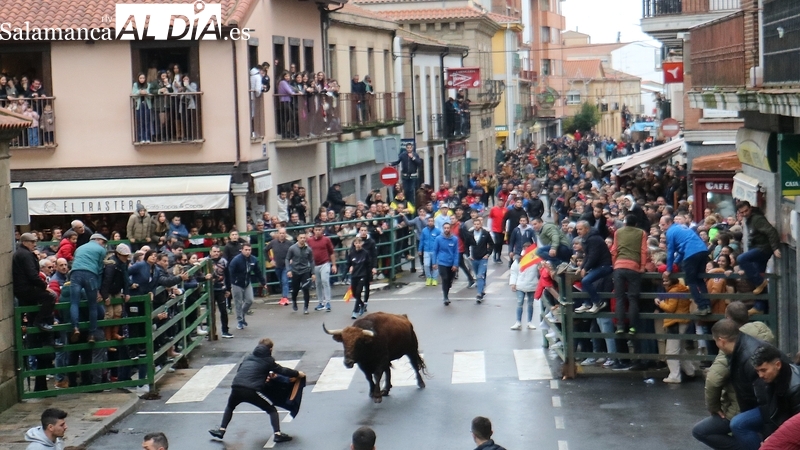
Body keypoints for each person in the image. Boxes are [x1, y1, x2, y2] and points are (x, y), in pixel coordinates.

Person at [693, 301, 775, 450]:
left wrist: (714, 407)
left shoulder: (735, 347)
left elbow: (713, 379)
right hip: (763, 403)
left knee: (702, 431)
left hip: (743, 406)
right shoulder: (763, 335)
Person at [209, 339, 302, 443]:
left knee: (230, 407)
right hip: (250, 391)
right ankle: (277, 434)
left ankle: (221, 430)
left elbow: (243, 370)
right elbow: (282, 370)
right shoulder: (268, 360)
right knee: (271, 410)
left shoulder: (248, 357)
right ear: (270, 349)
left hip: (236, 387)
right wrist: (297, 373)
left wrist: (263, 375)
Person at [711, 319, 768, 448]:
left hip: (775, 404)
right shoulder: (739, 348)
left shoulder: (747, 356)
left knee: (739, 424)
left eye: (715, 341)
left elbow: (766, 398)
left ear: (721, 341)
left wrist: (768, 433)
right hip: (763, 403)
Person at [743, 344, 800, 449]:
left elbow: (796, 426)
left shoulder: (795, 387)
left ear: (778, 365)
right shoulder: (770, 379)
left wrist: (774, 438)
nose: (760, 375)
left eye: (763, 370)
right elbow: (769, 413)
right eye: (757, 371)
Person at [660, 215, 712, 315]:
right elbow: (682, 249)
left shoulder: (670, 232)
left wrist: (669, 269)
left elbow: (670, 252)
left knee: (690, 281)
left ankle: (702, 307)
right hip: (702, 250)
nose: (662, 227)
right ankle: (707, 305)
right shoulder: (682, 227)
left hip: (691, 254)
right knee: (700, 280)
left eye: (663, 225)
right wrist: (675, 263)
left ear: (669, 223)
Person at [735, 201, 781, 313]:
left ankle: (760, 282)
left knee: (741, 259)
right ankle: (760, 307)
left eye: (746, 211)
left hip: (763, 248)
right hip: (758, 248)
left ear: (750, 208)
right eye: (742, 212)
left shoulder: (756, 219)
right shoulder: (749, 219)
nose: (745, 213)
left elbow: (771, 232)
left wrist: (775, 248)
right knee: (759, 277)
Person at [611, 214, 648, 334]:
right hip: (634, 267)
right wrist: (642, 266)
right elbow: (643, 251)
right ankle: (632, 327)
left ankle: (620, 326)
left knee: (619, 298)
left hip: (619, 266)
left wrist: (614, 265)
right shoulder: (642, 233)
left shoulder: (618, 232)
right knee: (633, 298)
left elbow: (614, 250)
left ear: (625, 223)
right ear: (636, 224)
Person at [69, 233, 109, 343]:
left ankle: (75, 327)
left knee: (74, 302)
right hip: (90, 274)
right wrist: (98, 289)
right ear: (98, 240)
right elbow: (100, 270)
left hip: (75, 273)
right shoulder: (101, 250)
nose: (104, 245)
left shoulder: (79, 248)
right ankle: (91, 334)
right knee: (93, 306)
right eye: (103, 242)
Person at [655, 277, 695, 383]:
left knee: (671, 351)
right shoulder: (682, 289)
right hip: (682, 321)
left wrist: (660, 303)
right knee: (680, 349)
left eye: (667, 281)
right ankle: (690, 371)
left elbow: (670, 308)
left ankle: (674, 376)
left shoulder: (673, 291)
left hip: (675, 322)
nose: (664, 283)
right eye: (663, 281)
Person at [13, 233, 56, 332]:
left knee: (32, 311)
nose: (35, 244)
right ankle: (40, 321)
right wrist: (44, 286)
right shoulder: (26, 254)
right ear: (24, 242)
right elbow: (32, 275)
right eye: (32, 242)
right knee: (50, 297)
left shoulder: (21, 253)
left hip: (22, 289)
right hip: (26, 289)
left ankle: (34, 328)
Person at [574, 220, 613, 313]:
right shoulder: (586, 238)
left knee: (586, 280)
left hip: (604, 266)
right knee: (584, 281)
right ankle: (587, 303)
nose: (578, 231)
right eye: (577, 229)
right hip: (597, 266)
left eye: (580, 229)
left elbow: (593, 256)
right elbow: (587, 256)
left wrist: (585, 268)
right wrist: (581, 267)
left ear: (587, 229)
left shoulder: (593, 239)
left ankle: (598, 302)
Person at [228, 243, 266, 330]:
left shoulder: (253, 260)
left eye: (249, 250)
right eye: (246, 250)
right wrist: (231, 283)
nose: (248, 252)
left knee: (249, 300)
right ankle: (240, 321)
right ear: (242, 250)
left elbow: (258, 272)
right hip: (237, 283)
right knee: (238, 303)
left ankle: (242, 314)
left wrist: (263, 282)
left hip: (247, 283)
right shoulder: (236, 260)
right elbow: (230, 272)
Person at [100, 243, 131, 345]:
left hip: (116, 290)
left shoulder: (123, 264)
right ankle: (108, 340)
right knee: (109, 314)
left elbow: (126, 278)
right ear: (118, 254)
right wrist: (105, 296)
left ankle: (114, 333)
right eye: (124, 255)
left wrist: (126, 292)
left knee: (118, 311)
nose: (126, 258)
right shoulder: (111, 264)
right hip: (109, 291)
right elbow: (107, 281)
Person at [509, 241, 539, 330]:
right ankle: (518, 322)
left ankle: (529, 322)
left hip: (532, 284)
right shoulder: (519, 260)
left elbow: (539, 271)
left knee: (530, 304)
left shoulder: (536, 260)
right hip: (520, 284)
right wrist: (513, 283)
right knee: (520, 303)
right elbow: (514, 272)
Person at [307, 223, 337, 312]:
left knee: (325, 281)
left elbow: (331, 252)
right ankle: (320, 302)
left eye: (319, 230)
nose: (318, 232)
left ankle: (327, 302)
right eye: (316, 230)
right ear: (313, 231)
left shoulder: (326, 239)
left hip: (325, 263)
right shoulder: (309, 241)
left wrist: (334, 265)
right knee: (318, 283)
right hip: (314, 265)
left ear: (322, 230)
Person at [285, 231, 316, 314]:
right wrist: (288, 270)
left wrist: (313, 273)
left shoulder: (308, 249)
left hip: (305, 271)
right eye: (301, 238)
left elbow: (311, 261)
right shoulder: (292, 248)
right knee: (295, 290)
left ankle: (306, 307)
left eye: (304, 238)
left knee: (306, 289)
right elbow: (287, 259)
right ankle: (294, 302)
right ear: (297, 238)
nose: (302, 239)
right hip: (295, 271)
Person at [465, 217, 493, 303]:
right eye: (475, 224)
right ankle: (482, 289)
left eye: (478, 224)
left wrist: (488, 254)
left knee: (480, 275)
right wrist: (468, 255)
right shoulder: (470, 234)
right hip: (474, 258)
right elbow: (466, 245)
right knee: (478, 275)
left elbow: (491, 243)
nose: (476, 226)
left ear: (481, 225)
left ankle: (479, 294)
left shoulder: (485, 233)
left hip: (483, 258)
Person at [208, 245, 233, 339]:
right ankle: (211, 332)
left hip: (221, 289)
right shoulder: (206, 261)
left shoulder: (224, 262)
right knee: (211, 311)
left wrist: (228, 289)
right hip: (209, 290)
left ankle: (225, 331)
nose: (216, 253)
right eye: (214, 251)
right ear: (210, 252)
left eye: (218, 252)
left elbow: (228, 276)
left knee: (223, 311)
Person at [432, 222, 459, 306]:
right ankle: (445, 297)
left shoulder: (455, 239)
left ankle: (447, 290)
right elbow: (435, 251)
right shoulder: (438, 239)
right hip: (442, 262)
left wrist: (455, 264)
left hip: (451, 263)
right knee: (445, 279)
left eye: (448, 228)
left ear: (450, 229)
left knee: (450, 281)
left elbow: (456, 252)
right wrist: (434, 262)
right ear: (443, 229)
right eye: (445, 228)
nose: (446, 230)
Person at [265, 228, 293, 306]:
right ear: (278, 234)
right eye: (280, 233)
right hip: (277, 265)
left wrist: (292, 259)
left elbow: (295, 251)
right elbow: (265, 250)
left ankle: (285, 297)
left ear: (285, 234)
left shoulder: (289, 243)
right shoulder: (273, 242)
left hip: (286, 265)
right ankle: (284, 295)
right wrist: (270, 260)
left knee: (285, 281)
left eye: (283, 233)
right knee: (281, 281)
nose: (282, 235)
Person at [347, 237, 373, 319]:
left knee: (358, 292)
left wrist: (370, 277)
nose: (358, 245)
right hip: (354, 275)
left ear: (362, 243)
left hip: (362, 275)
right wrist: (345, 273)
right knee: (354, 293)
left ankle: (355, 311)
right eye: (356, 243)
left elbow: (369, 266)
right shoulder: (351, 254)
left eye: (359, 243)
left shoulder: (365, 253)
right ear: (354, 244)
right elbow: (348, 263)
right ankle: (361, 304)